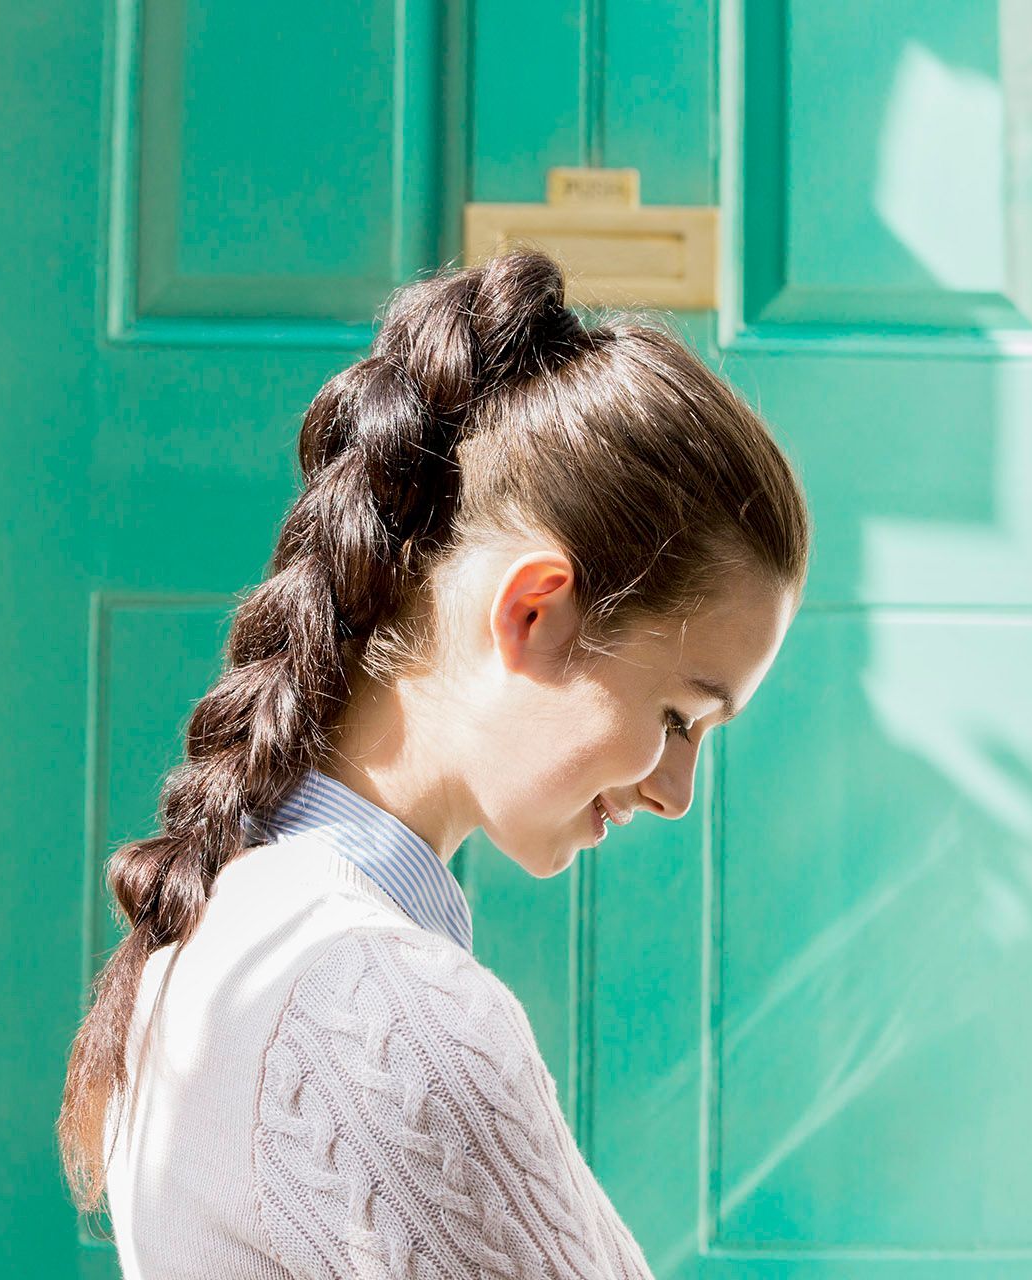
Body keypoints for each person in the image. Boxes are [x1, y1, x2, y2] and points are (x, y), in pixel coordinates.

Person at [57, 247, 812, 1277]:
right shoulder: (370, 1002)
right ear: (535, 610)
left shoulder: (239, 919)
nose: (677, 793)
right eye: (679, 716)